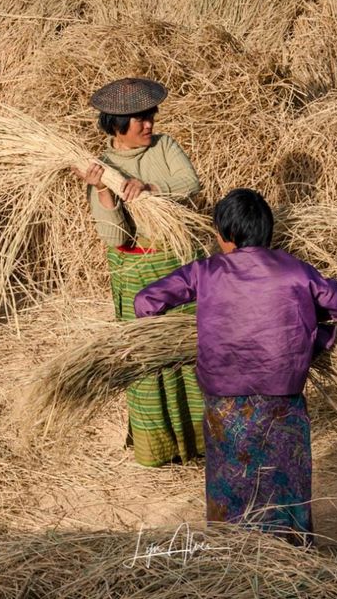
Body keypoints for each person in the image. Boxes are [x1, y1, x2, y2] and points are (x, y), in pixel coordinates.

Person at [134, 189, 337, 545]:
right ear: (267, 231)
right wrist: (313, 342)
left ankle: (231, 548)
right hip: (284, 393)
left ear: (225, 233)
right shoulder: (295, 269)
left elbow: (146, 302)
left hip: (224, 396)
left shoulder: (206, 271)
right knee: (285, 472)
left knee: (232, 475)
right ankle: (292, 549)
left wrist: (188, 330)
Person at [71, 77, 206, 467]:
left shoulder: (165, 147)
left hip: (178, 267)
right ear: (116, 124)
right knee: (147, 359)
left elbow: (189, 183)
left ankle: (200, 440)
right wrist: (104, 191)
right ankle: (158, 448)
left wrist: (148, 187)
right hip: (136, 275)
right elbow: (114, 237)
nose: (148, 125)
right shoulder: (103, 168)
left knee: (189, 353)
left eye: (150, 117)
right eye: (139, 120)